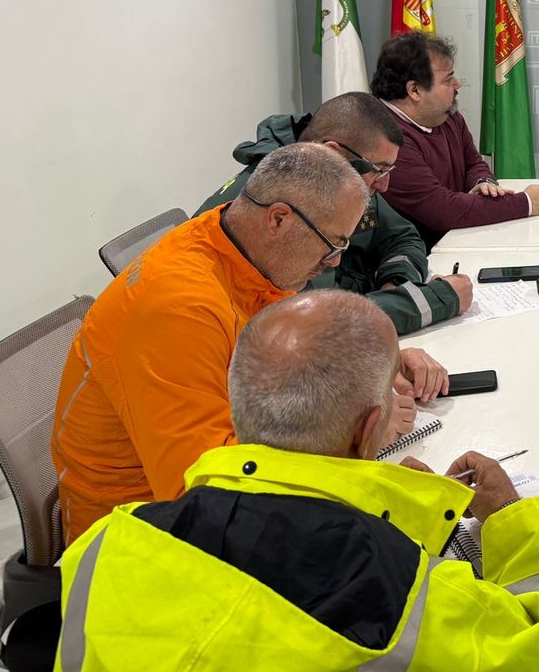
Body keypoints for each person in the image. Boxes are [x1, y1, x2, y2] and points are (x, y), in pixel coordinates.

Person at [51, 291, 539, 672]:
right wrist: (518, 523)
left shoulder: (102, 548)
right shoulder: (394, 593)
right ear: (371, 430)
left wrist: (394, 510)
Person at [51, 144, 448, 543]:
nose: (335, 263)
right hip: (137, 536)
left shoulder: (245, 245)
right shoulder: (178, 307)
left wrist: (373, 366)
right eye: (332, 245)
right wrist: (355, 436)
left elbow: (289, 352)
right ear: (278, 219)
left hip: (214, 496)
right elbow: (206, 494)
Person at [196, 91, 474, 335]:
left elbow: (402, 238)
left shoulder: (340, 182)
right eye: (379, 169)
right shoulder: (281, 205)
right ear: (335, 153)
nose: (385, 185)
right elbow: (314, 321)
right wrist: (436, 300)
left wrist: (395, 284)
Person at [372, 32, 539, 246]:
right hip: (420, 256)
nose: (457, 84)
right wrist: (526, 203)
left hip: (459, 241)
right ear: (414, 90)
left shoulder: (447, 116)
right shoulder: (384, 138)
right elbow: (441, 209)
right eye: (448, 79)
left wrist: (484, 183)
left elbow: (473, 164)